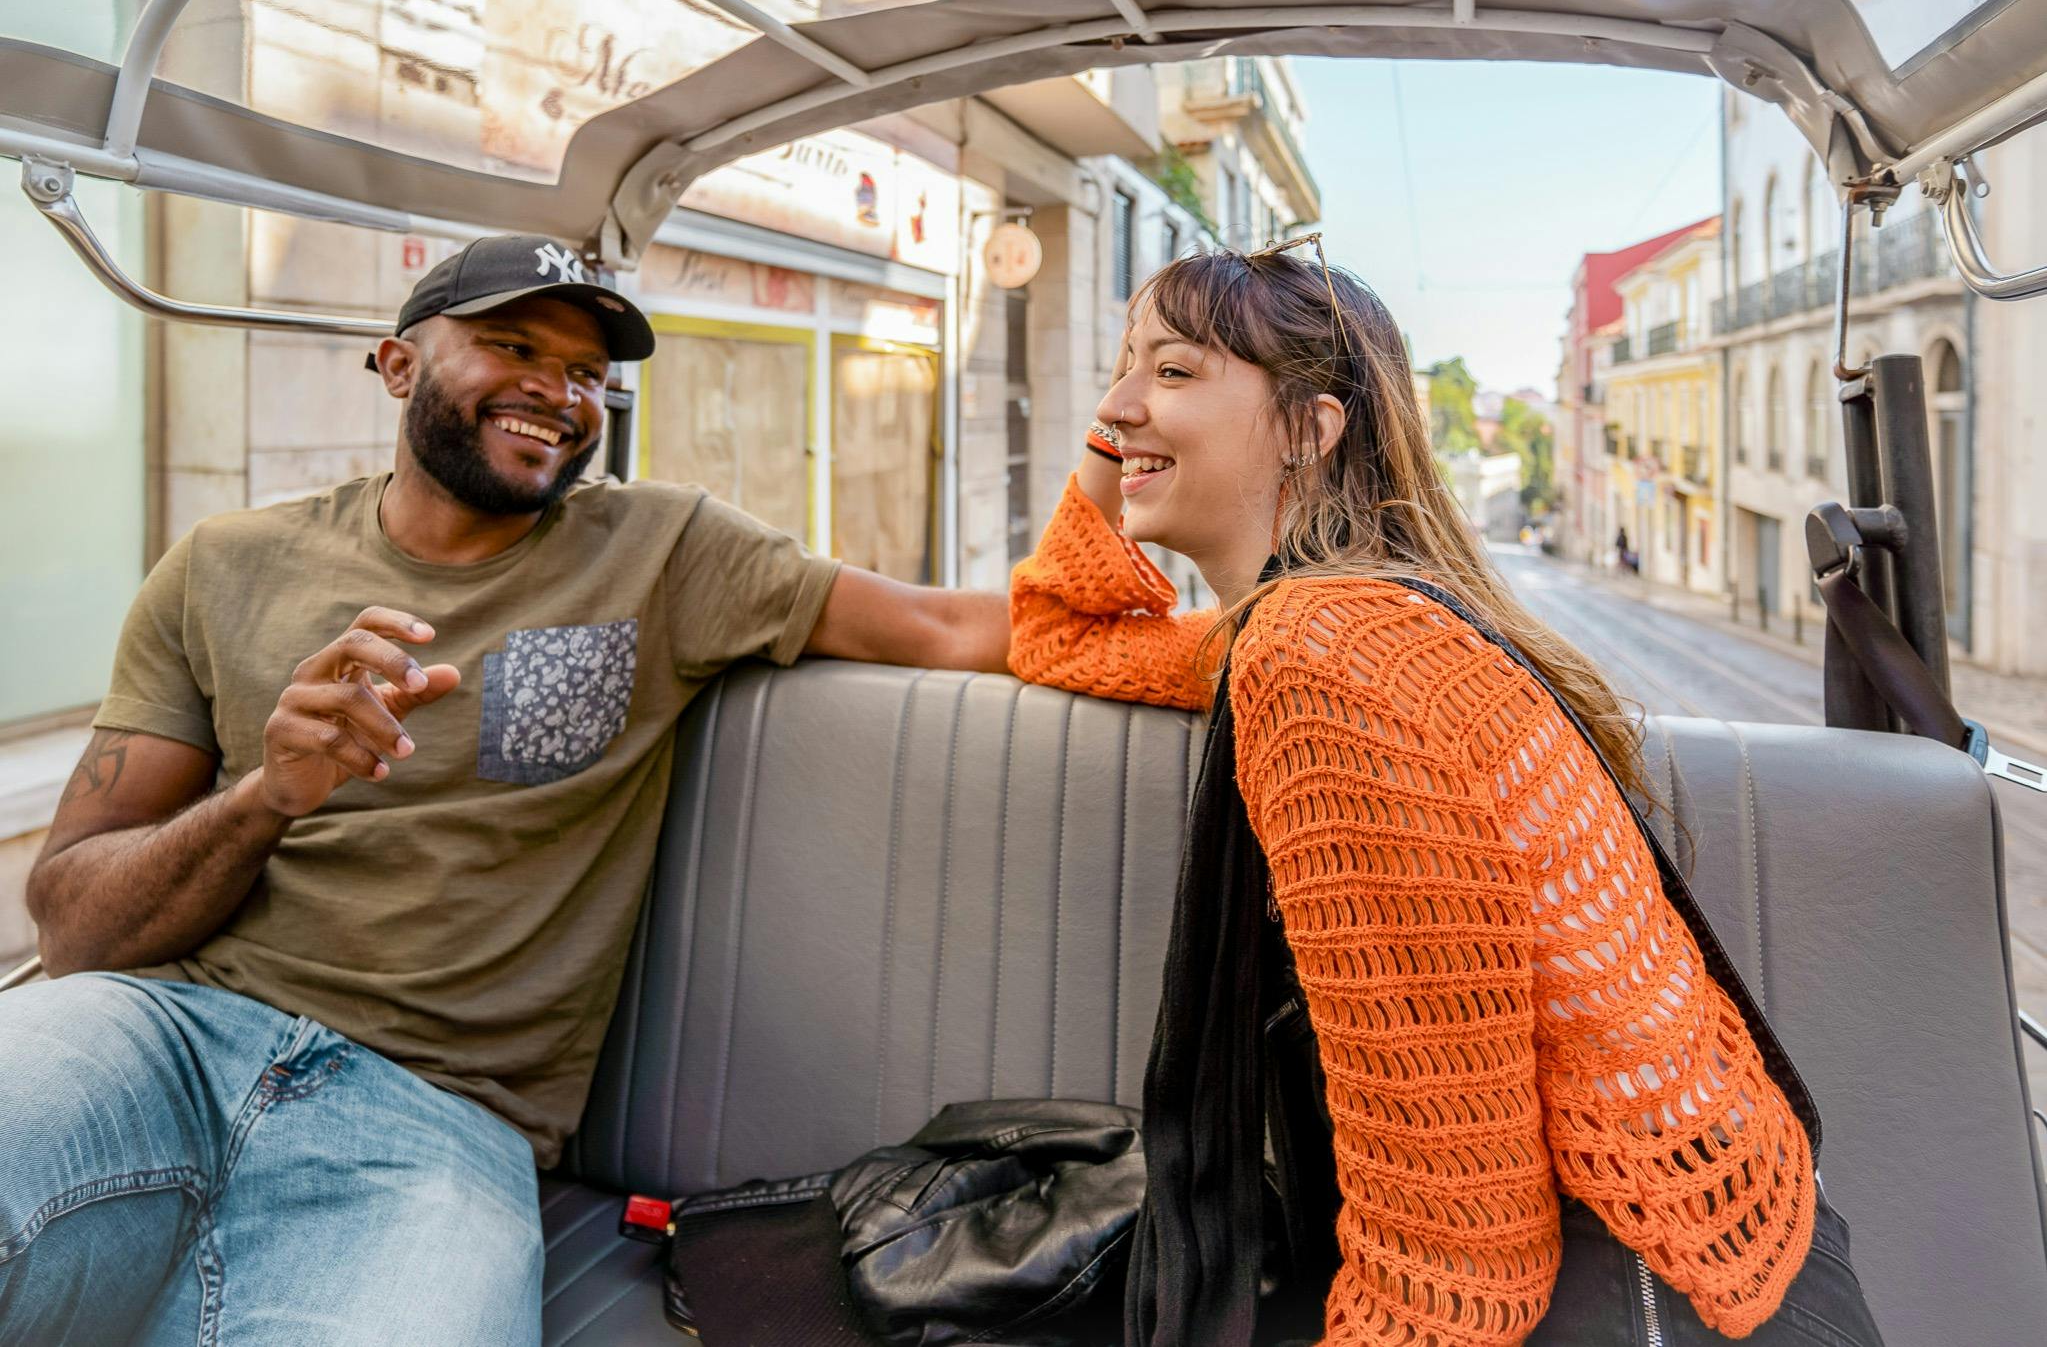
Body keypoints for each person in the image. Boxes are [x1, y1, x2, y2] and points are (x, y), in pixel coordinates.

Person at [0, 235, 1010, 1345]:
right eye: (510, 344)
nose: (556, 389)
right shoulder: (222, 563)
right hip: (161, 1037)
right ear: (396, 364)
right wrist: (266, 797)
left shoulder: (664, 551)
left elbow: (946, 627)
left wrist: (1229, 617)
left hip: (435, 1119)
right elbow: (76, 929)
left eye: (584, 372)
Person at [1008, 242, 1884, 1346]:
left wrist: (1122, 435)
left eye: (1174, 373)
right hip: (1732, 1246)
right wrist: (1123, 430)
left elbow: (1458, 1266)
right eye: (1120, 368)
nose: (1119, 403)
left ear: (1308, 429)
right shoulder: (1354, 616)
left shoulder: (1320, 657)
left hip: (1653, 1301)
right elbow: (1056, 630)